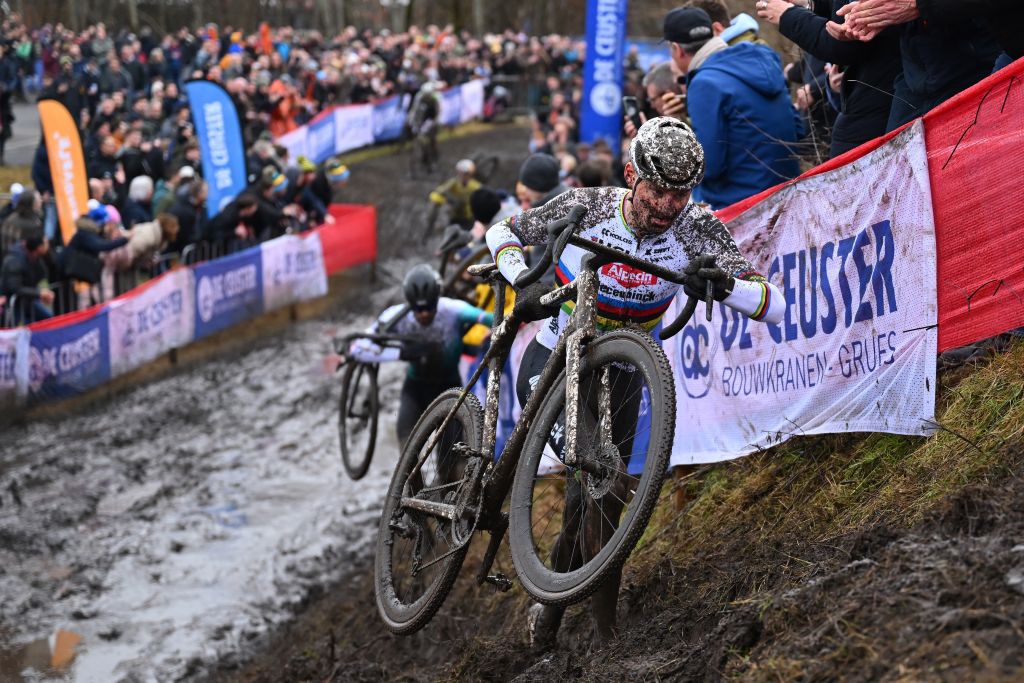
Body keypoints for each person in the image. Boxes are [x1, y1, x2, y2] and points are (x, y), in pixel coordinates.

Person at [484, 117, 786, 648]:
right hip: (557, 356)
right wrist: (519, 279)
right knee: (592, 476)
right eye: (658, 190)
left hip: (623, 374)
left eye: (681, 193)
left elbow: (773, 304)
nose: (669, 205)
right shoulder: (591, 204)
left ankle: (578, 627)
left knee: (597, 501)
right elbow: (502, 231)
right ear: (630, 175)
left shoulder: (697, 228)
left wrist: (725, 285)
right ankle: (596, 631)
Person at [665, 6, 803, 209]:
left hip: (740, 207)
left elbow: (709, 167)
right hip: (789, 195)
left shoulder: (705, 82)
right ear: (715, 32)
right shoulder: (764, 59)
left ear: (677, 49)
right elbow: (798, 130)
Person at [347, 264, 494, 446]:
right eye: (418, 309)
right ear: (410, 303)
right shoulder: (395, 316)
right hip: (415, 390)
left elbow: (489, 318)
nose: (424, 314)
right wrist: (401, 353)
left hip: (449, 389)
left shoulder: (452, 309)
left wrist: (497, 329)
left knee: (451, 463)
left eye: (430, 307)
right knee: (407, 453)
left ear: (437, 299)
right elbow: (357, 349)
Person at [757, 0, 902, 158]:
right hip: (862, 102)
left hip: (876, 106)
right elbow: (840, 18)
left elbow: (845, 44)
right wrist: (810, 4)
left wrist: (788, 16)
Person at [830, 0, 1003, 128]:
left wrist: (918, 5)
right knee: (899, 167)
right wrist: (870, 14)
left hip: (976, 69)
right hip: (915, 77)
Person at [1, 224, 53, 324]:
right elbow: (14, 287)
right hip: (12, 304)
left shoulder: (36, 257)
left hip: (27, 301)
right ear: (39, 247)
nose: (48, 245)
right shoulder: (15, 261)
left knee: (48, 320)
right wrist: (39, 293)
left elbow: (43, 273)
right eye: (46, 242)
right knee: (14, 330)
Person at [427, 159, 482, 232]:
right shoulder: (454, 183)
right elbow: (440, 190)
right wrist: (437, 197)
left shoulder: (476, 186)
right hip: (455, 217)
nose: (461, 175)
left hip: (469, 218)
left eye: (464, 173)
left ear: (469, 174)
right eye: (459, 173)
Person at [407, 81, 441, 171]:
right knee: (421, 140)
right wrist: (412, 122)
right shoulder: (419, 97)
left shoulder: (436, 98)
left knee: (432, 140)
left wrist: (430, 125)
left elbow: (437, 114)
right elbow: (414, 110)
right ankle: (425, 157)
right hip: (423, 119)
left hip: (432, 120)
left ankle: (434, 156)